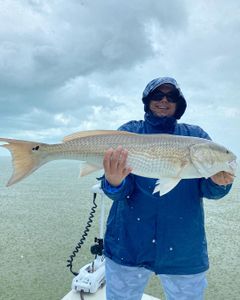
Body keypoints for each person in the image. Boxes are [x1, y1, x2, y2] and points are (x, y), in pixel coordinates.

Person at [100, 77, 234, 300]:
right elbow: (120, 192)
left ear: (179, 104)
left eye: (171, 97)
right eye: (157, 95)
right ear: (147, 100)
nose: (164, 100)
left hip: (183, 248)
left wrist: (218, 183)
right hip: (128, 242)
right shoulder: (129, 132)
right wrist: (114, 182)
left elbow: (209, 189)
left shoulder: (196, 136)